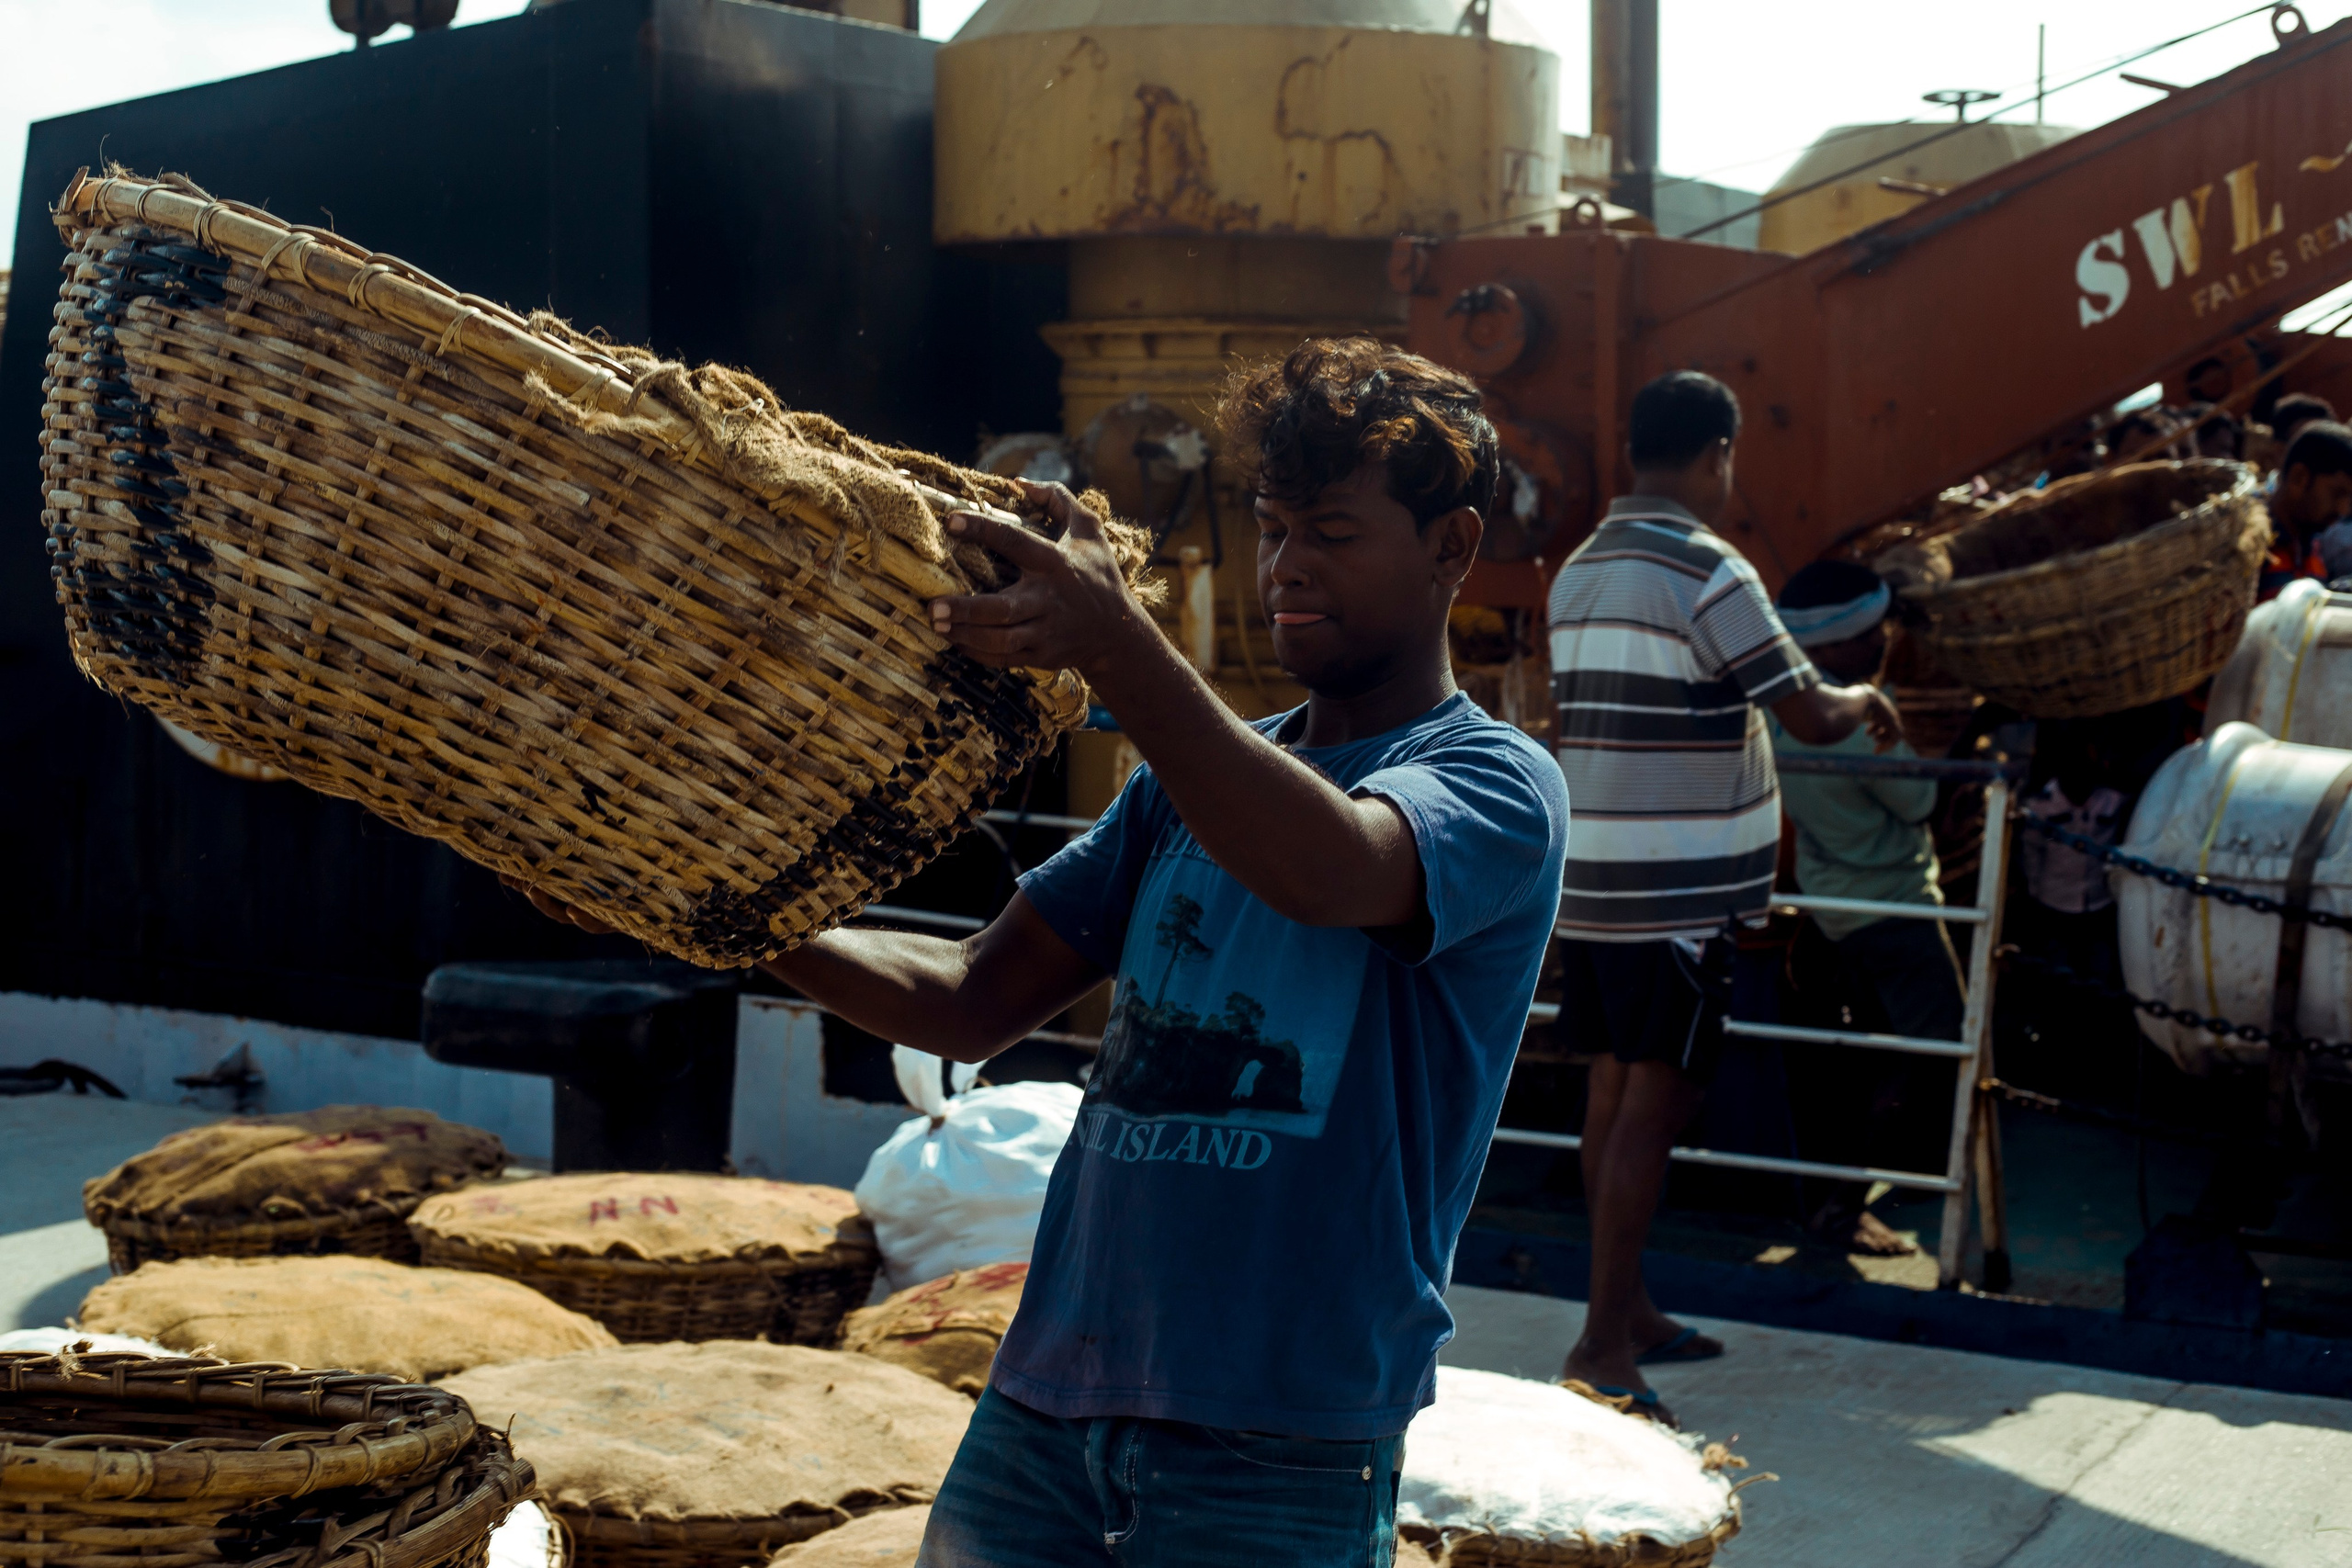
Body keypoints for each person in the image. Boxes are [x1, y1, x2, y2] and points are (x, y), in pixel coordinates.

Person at [520, 340, 1570, 1567]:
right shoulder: (1179, 790)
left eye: (1333, 531)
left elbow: (1332, 870)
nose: (1286, 567)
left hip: (1279, 1432)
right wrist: (709, 908)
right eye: (1275, 528)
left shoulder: (1495, 784)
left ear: (1449, 547)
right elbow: (967, 998)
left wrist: (1119, 643)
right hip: (1049, 1397)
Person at [1546, 370, 1901, 1422]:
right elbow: (1811, 711)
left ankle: (1632, 1307)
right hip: (1676, 891)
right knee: (1654, 1109)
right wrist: (1869, 693)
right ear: (1714, 454)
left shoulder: (1580, 567)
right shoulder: (1707, 570)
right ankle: (1603, 1343)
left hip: (1597, 875)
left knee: (1613, 1096)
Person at [1769, 560, 1964, 1258]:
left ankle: (1842, 1199)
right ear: (1839, 645)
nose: (1885, 638)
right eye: (1873, 629)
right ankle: (1846, 1206)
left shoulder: (1778, 714)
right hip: (1896, 911)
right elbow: (1915, 802)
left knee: (1866, 1058)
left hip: (1833, 912)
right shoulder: (1855, 722)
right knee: (1935, 1047)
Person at [2262, 421, 2352, 598]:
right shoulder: (2249, 547)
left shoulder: (2311, 546)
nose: (2343, 510)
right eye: (2337, 493)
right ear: (2299, 478)